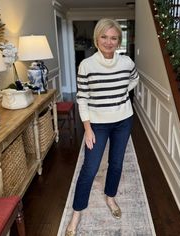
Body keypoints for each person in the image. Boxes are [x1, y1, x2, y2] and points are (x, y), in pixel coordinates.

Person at [66, 18, 139, 236]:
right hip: (97, 124)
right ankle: (77, 212)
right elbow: (83, 98)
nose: (109, 42)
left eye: (114, 38)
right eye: (104, 37)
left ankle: (110, 196)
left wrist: (120, 94)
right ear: (97, 38)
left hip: (123, 120)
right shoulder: (86, 65)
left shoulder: (126, 62)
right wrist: (87, 128)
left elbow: (134, 80)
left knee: (116, 163)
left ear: (119, 40)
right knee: (90, 168)